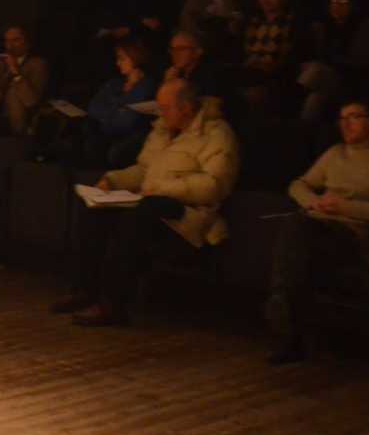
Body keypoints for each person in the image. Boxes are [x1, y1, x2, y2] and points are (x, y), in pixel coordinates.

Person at [56, 80, 239, 327]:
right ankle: (85, 289)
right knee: (95, 212)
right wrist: (113, 180)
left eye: (166, 108)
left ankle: (112, 303)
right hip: (150, 202)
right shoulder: (163, 130)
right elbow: (144, 169)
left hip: (188, 215)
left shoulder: (216, 135)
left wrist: (163, 189)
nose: (160, 114)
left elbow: (214, 185)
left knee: (135, 220)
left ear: (186, 108)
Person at [266, 97, 369, 367]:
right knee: (294, 231)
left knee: (297, 238)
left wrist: (346, 207)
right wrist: (314, 202)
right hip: (320, 224)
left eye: (354, 117)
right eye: (342, 118)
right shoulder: (335, 153)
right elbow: (298, 184)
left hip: (355, 232)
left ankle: (289, 331)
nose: (345, 124)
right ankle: (286, 327)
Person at [82, 39, 157, 168]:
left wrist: (114, 106)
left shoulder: (146, 86)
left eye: (122, 59)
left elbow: (127, 122)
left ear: (135, 58)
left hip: (128, 135)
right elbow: (93, 107)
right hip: (105, 129)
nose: (118, 63)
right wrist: (117, 110)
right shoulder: (115, 83)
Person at [0, 25, 50, 135]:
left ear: (28, 42)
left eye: (16, 40)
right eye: (7, 40)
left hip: (18, 121)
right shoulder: (1, 62)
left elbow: (32, 101)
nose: (9, 45)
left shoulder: (38, 64)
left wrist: (15, 71)